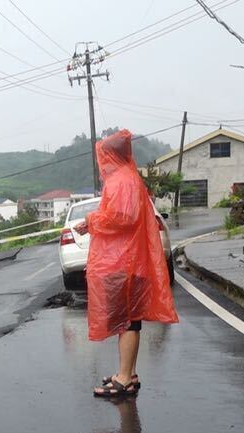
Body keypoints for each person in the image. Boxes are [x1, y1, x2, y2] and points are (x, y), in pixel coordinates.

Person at [73, 129, 178, 397]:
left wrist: (92, 220)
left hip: (124, 263)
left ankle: (124, 379)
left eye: (102, 155)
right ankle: (127, 373)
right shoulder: (127, 178)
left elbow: (122, 217)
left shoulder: (121, 180)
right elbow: (121, 215)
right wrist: (93, 221)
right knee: (130, 321)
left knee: (128, 321)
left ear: (109, 155)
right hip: (129, 261)